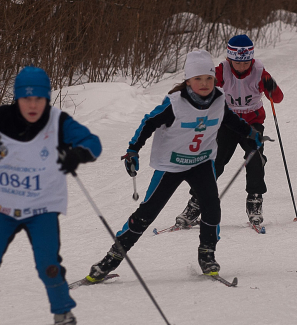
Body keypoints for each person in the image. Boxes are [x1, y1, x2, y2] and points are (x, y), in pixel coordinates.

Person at [0, 66, 102, 325]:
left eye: (39, 99)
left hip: (42, 207)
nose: (33, 105)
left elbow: (92, 142)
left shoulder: (57, 122)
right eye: (26, 98)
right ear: (17, 98)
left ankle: (64, 320)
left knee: (49, 266)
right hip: (4, 206)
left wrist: (77, 153)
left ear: (47, 98)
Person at [84, 50, 261, 282]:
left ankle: (207, 254)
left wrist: (251, 133)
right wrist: (132, 150)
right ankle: (110, 259)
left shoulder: (219, 100)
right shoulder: (174, 104)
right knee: (146, 214)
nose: (205, 83)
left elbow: (230, 120)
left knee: (212, 208)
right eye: (198, 79)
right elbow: (148, 123)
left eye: (208, 78)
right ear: (188, 80)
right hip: (171, 165)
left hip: (201, 162)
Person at [174, 35, 283, 229]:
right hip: (227, 123)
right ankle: (196, 202)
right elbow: (204, 86)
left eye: (246, 62)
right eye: (237, 62)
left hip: (252, 123)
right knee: (215, 161)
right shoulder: (221, 71)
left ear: (251, 58)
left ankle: (254, 200)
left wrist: (271, 87)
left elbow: (278, 97)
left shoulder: (259, 72)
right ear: (229, 58)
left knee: (255, 157)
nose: (242, 66)